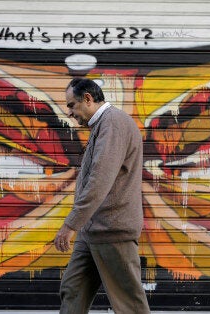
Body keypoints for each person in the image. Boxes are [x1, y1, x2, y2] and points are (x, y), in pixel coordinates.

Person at [53, 78, 150, 314]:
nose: (70, 113)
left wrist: (71, 224)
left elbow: (99, 180)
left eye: (72, 105)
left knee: (129, 304)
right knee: (73, 289)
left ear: (88, 99)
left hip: (112, 230)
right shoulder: (102, 125)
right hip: (93, 229)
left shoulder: (113, 124)